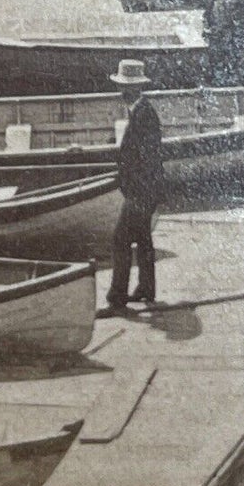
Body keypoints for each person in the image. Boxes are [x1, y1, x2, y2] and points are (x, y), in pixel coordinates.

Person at [105, 60, 164, 310]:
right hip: (146, 189)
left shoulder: (143, 114)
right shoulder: (140, 111)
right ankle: (146, 289)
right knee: (142, 238)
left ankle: (118, 296)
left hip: (142, 190)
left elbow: (148, 157)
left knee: (120, 240)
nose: (121, 91)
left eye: (123, 87)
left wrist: (135, 192)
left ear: (131, 89)